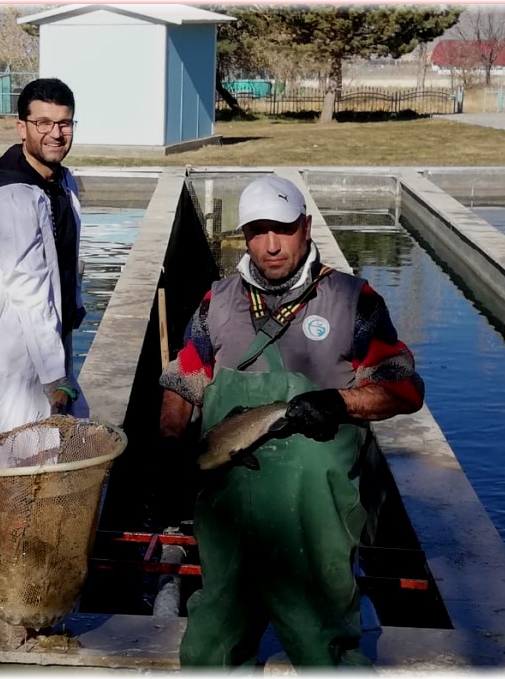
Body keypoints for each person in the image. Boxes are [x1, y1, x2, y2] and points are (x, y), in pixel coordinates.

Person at [158, 175, 425, 668]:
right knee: (209, 647)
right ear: (245, 237)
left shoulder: (354, 301)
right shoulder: (217, 302)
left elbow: (404, 388)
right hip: (230, 507)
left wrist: (340, 404)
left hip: (315, 514)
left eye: (282, 229)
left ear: (305, 227)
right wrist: (174, 440)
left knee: (323, 645)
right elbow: (184, 378)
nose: (271, 245)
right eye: (257, 232)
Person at [0, 77, 89, 459]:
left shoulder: (60, 182)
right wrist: (55, 377)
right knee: (16, 454)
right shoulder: (10, 197)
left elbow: (67, 259)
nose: (56, 133)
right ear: (22, 127)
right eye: (43, 123)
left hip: (51, 336)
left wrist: (75, 304)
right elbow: (30, 291)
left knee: (46, 454)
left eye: (64, 123)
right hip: (15, 349)